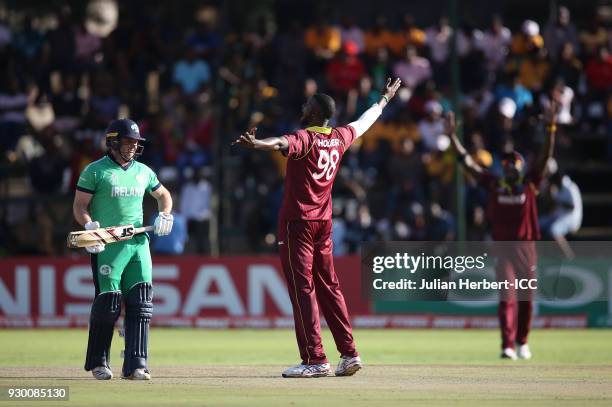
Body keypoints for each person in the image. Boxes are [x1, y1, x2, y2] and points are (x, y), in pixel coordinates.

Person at [233, 77, 402, 377]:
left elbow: (282, 142)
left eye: (308, 104)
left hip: (297, 223)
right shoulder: (338, 137)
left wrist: (258, 143)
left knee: (303, 288)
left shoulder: (305, 138)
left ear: (315, 113)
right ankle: (349, 354)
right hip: (323, 223)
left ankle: (315, 359)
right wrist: (384, 100)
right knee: (329, 286)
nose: (303, 106)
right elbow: (363, 123)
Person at [447, 103, 558, 361]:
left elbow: (545, 156)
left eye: (513, 166)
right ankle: (507, 345)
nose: (509, 169)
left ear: (519, 168)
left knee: (526, 300)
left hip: (527, 248)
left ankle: (522, 342)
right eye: (506, 165)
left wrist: (551, 128)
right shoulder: (495, 184)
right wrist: (453, 137)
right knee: (507, 296)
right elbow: (469, 165)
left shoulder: (530, 183)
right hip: (503, 249)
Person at [73, 118, 173, 380]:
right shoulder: (95, 171)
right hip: (107, 244)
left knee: (141, 304)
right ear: (113, 141)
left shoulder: (144, 171)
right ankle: (99, 362)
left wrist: (165, 214)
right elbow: (79, 206)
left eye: (136, 143)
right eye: (128, 142)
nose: (132, 147)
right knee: (109, 303)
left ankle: (137, 365)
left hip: (138, 244)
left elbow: (164, 195)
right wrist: (89, 227)